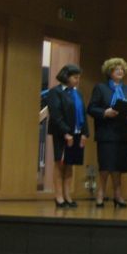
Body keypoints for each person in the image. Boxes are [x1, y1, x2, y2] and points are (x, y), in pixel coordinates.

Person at [88, 57, 127, 208]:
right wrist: (105, 112)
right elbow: (91, 108)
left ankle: (118, 194)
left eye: (122, 69)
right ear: (109, 72)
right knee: (105, 165)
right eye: (117, 69)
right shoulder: (101, 88)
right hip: (106, 133)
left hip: (124, 133)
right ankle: (101, 193)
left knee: (119, 166)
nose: (120, 71)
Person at [46, 64, 89, 208]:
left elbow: (83, 114)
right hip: (62, 134)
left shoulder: (77, 93)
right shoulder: (55, 92)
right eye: (75, 77)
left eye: (79, 77)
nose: (77, 80)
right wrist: (66, 132)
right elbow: (56, 114)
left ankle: (67, 196)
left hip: (77, 133)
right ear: (66, 77)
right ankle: (59, 197)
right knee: (60, 164)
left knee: (70, 164)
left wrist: (85, 133)